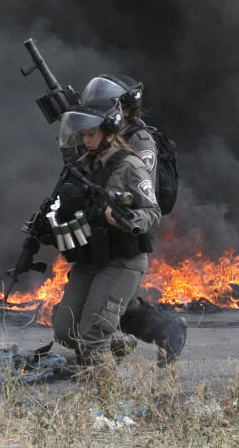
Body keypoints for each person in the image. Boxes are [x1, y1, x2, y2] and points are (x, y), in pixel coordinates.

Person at [27, 101, 161, 366]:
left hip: (122, 260)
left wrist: (127, 219)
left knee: (93, 332)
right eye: (82, 135)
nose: (85, 140)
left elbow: (152, 212)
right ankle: (115, 345)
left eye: (91, 134)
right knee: (65, 330)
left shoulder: (130, 165)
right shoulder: (81, 166)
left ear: (109, 132)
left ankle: (105, 400)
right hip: (90, 259)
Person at [80, 75, 186, 365]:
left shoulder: (140, 139)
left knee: (113, 302)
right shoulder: (97, 134)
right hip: (100, 231)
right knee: (110, 301)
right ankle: (134, 338)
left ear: (123, 109)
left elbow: (141, 192)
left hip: (127, 229)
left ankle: (162, 331)